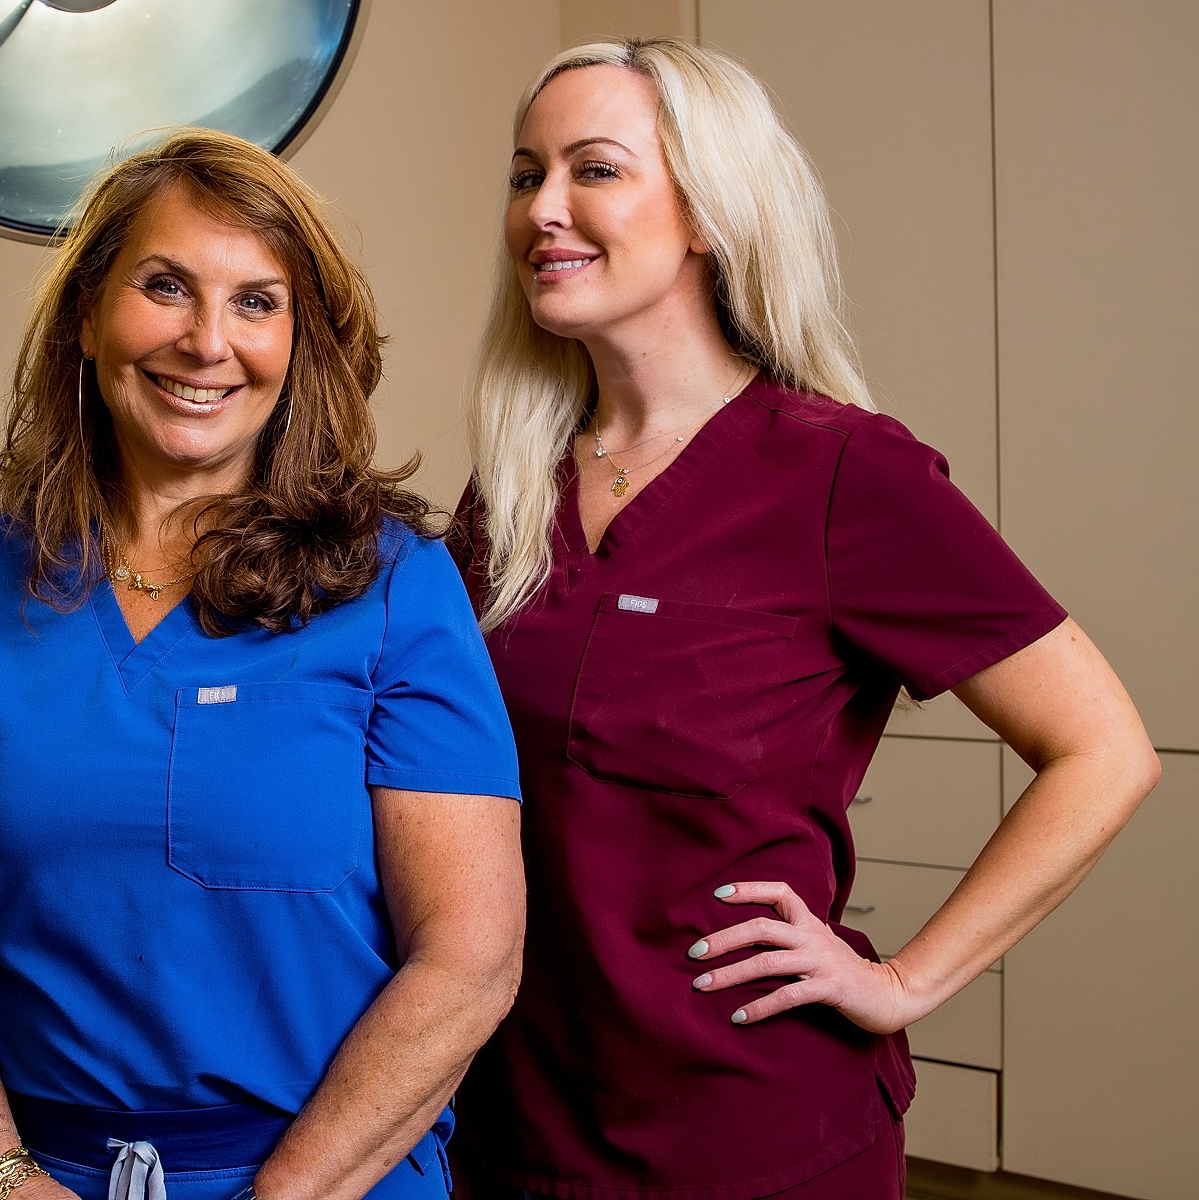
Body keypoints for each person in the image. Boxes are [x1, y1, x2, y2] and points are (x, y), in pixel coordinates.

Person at [447, 37, 1162, 1200]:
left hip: (750, 1132)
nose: (544, 209)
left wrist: (907, 980)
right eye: (527, 175)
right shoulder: (513, 490)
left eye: (596, 170)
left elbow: (1103, 750)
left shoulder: (841, 473)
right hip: (518, 1121)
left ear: (706, 212)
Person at [0, 129, 526, 1200]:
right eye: (165, 286)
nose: (204, 340)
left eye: (256, 302)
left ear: (301, 344)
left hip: (329, 1179)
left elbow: (470, 963)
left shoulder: (394, 589)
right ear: (89, 313)